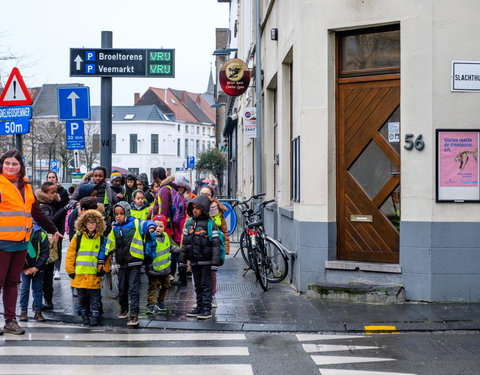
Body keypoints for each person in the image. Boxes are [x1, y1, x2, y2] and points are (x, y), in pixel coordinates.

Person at [0, 149, 61, 335]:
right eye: (7, 163)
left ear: (21, 166)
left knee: (12, 283)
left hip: (21, 242)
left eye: (14, 164)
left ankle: (10, 321)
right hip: (1, 242)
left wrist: (53, 230)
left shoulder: (26, 187)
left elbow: (37, 212)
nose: (10, 167)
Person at [98, 201, 156, 326]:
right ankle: (124, 308)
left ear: (127, 213)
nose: (118, 216)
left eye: (121, 214)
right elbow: (107, 245)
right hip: (122, 263)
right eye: (116, 214)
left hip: (135, 262)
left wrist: (152, 227)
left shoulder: (136, 223)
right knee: (122, 289)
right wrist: (101, 259)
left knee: (133, 289)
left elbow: (148, 224)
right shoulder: (114, 229)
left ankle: (134, 314)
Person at [179, 195, 221, 320]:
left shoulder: (210, 224)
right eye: (193, 208)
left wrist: (214, 263)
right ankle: (199, 306)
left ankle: (206, 309)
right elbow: (185, 243)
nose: (194, 211)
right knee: (197, 284)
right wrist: (182, 261)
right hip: (194, 260)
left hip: (206, 261)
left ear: (204, 209)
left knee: (205, 284)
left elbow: (215, 245)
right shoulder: (190, 223)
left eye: (197, 208)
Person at [65, 209, 108, 326]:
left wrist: (104, 270)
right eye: (89, 222)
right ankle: (84, 316)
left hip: (94, 274)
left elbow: (106, 256)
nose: (91, 225)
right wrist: (70, 271)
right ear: (84, 223)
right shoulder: (77, 237)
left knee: (95, 297)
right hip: (79, 273)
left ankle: (94, 316)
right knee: (81, 297)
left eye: (94, 222)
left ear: (98, 224)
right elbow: (70, 255)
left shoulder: (101, 239)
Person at [35, 181, 70, 311]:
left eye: (56, 191)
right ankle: (42, 302)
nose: (55, 194)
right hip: (45, 244)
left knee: (48, 275)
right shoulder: (44, 206)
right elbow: (51, 220)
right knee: (44, 275)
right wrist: (64, 209)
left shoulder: (52, 203)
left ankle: (47, 301)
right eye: (52, 192)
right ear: (45, 193)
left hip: (51, 242)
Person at [198, 185, 230, 309]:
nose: (204, 197)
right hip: (199, 245)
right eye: (202, 194)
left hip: (213, 247)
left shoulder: (218, 209)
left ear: (212, 197)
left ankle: (211, 297)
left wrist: (226, 248)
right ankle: (200, 298)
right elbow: (187, 226)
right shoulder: (195, 207)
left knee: (211, 272)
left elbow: (224, 230)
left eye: (207, 194)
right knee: (199, 273)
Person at [19, 221, 50, 323]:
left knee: (38, 289)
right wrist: (25, 268)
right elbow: (18, 253)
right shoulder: (20, 233)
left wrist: (37, 268)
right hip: (25, 269)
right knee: (24, 289)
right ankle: (23, 311)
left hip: (38, 268)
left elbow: (45, 253)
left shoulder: (42, 234)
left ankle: (38, 311)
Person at [144, 214, 175, 314]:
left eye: (161, 226)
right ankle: (150, 305)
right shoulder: (149, 238)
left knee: (166, 285)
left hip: (165, 268)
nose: (158, 228)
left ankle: (160, 301)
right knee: (152, 287)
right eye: (156, 226)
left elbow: (170, 247)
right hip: (153, 268)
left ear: (164, 228)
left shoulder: (166, 236)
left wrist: (181, 250)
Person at [46, 172, 69, 280]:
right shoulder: (43, 191)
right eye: (49, 177)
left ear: (56, 179)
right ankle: (47, 268)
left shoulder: (62, 191)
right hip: (47, 221)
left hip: (58, 222)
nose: (51, 179)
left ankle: (57, 269)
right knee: (46, 245)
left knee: (57, 245)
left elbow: (63, 207)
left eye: (53, 177)